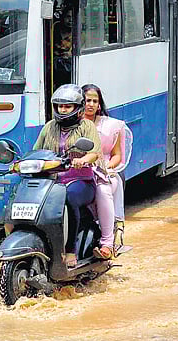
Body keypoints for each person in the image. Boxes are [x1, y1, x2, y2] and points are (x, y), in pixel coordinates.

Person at [33, 84, 101, 267]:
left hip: (80, 181)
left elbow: (94, 152)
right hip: (52, 181)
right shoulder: (49, 127)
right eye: (60, 106)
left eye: (67, 106)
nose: (63, 110)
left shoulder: (87, 126)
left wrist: (83, 159)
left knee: (68, 198)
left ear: (77, 108)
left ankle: (70, 249)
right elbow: (36, 151)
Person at [82, 84, 132, 260]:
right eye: (88, 100)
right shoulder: (71, 125)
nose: (91, 104)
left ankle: (107, 243)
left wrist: (107, 168)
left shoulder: (112, 126)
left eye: (95, 101)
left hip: (105, 173)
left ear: (99, 104)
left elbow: (117, 155)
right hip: (78, 171)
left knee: (103, 190)